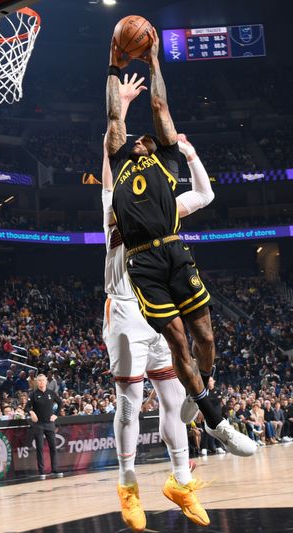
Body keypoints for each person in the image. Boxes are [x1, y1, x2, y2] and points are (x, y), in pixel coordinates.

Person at [105, 31, 254, 459]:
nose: (139, 139)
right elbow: (115, 117)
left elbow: (160, 106)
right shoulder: (118, 160)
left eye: (146, 138)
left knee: (205, 336)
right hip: (143, 262)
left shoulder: (168, 161)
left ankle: (202, 386)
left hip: (173, 249)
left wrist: (154, 62)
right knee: (177, 343)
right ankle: (218, 421)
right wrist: (112, 65)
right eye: (136, 139)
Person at [25, 374, 62, 480]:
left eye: (43, 380)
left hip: (50, 424)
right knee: (40, 448)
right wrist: (31, 412)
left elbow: (60, 403)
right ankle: (41, 471)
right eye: (39, 380)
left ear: (46, 381)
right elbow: (27, 407)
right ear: (37, 382)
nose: (41, 382)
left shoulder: (51, 393)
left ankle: (55, 469)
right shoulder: (33, 394)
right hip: (39, 425)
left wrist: (56, 414)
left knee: (53, 447)